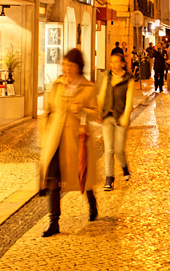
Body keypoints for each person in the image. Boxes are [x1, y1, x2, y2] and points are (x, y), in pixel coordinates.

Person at [39, 48, 98, 238]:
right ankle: (54, 221)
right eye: (64, 65)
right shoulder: (57, 84)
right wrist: (44, 132)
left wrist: (82, 109)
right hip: (55, 140)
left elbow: (97, 113)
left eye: (71, 65)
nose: (67, 69)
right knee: (52, 180)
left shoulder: (88, 87)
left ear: (78, 67)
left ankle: (92, 203)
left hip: (76, 140)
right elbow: (48, 110)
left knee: (82, 177)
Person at [97, 53, 134, 191]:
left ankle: (124, 167)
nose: (113, 65)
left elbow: (129, 99)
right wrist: (99, 110)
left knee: (118, 149)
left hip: (120, 117)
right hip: (107, 116)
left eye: (116, 62)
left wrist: (125, 116)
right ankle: (109, 178)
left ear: (123, 64)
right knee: (109, 149)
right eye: (111, 62)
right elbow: (102, 95)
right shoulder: (107, 76)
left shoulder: (128, 79)